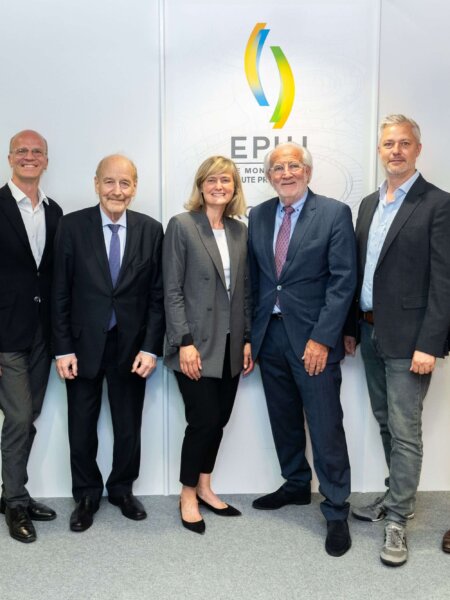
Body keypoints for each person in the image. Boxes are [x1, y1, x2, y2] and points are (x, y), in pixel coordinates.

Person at [344, 115, 450, 566]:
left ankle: (398, 519)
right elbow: (360, 271)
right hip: (370, 331)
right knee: (386, 421)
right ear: (380, 150)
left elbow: (445, 281)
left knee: (406, 431)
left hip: (412, 340)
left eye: (405, 143)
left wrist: (431, 343)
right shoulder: (369, 203)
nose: (396, 151)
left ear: (418, 149)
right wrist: (352, 328)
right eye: (389, 143)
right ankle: (394, 495)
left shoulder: (438, 204)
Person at [248, 142, 356, 557]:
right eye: (278, 168)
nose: (286, 173)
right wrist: (250, 337)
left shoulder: (333, 213)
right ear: (269, 176)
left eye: (294, 166)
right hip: (270, 335)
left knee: (325, 425)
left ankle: (336, 508)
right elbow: (256, 280)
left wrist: (323, 338)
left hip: (314, 339)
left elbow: (343, 280)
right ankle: (295, 483)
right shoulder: (259, 215)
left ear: (307, 172)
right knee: (284, 418)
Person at [52, 154, 164, 532]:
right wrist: (62, 348)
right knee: (81, 425)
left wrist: (150, 347)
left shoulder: (151, 230)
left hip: (132, 348)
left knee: (128, 425)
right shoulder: (71, 226)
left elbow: (157, 296)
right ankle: (86, 494)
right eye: (110, 182)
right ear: (96, 184)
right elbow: (59, 291)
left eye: (125, 183)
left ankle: (121, 489)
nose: (117, 190)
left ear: (135, 187)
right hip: (81, 346)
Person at [163, 156, 253, 534]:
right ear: (201, 186)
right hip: (195, 344)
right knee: (202, 420)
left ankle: (205, 486)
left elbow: (245, 290)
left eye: (226, 181)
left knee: (220, 420)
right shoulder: (182, 226)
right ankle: (187, 494)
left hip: (231, 343)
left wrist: (246, 339)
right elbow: (171, 289)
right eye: (212, 180)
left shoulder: (239, 230)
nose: (219, 186)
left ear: (235, 188)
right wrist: (183, 342)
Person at [0, 130, 62, 543]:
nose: (29, 156)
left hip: (43, 333)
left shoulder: (54, 212)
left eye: (36, 151)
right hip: (5, 333)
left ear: (46, 161)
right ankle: (16, 503)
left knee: (30, 416)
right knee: (20, 418)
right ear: (10, 158)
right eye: (21, 151)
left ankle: (12, 493)